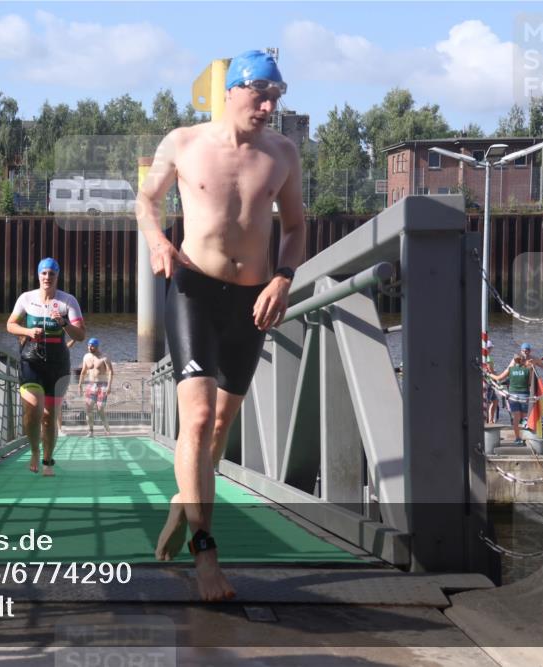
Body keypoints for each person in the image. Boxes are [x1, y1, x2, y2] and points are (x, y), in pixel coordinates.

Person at [136, 50, 305, 601]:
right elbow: (146, 199)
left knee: (219, 426)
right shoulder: (182, 143)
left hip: (253, 299)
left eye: (276, 98)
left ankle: (182, 506)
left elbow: (297, 226)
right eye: (260, 95)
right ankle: (205, 552)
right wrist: (159, 240)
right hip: (193, 289)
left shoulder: (282, 153)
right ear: (230, 90)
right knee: (199, 415)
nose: (268, 106)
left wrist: (283, 278)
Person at [7, 258, 85, 475]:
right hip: (31, 359)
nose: (47, 277)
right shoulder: (26, 298)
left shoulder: (67, 301)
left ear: (57, 276)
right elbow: (10, 324)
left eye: (51, 273)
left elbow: (80, 335)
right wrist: (28, 332)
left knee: (49, 417)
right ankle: (34, 451)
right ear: (38, 275)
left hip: (57, 363)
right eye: (43, 273)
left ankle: (48, 460)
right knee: (32, 411)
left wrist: (63, 322)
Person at [490, 343, 543, 443]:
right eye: (524, 350)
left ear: (530, 351)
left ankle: (520, 438)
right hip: (523, 392)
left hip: (516, 393)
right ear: (521, 352)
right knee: (524, 417)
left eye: (527, 350)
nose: (525, 352)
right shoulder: (526, 367)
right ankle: (523, 437)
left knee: (518, 417)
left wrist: (489, 375)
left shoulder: (530, 360)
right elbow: (528, 381)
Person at [78, 338, 114, 436]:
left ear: (97, 346)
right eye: (89, 345)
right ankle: (90, 431)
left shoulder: (104, 357)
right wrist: (80, 384)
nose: (90, 347)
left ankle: (107, 429)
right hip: (90, 384)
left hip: (102, 385)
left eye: (92, 345)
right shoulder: (86, 357)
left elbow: (110, 372)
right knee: (88, 408)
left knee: (100, 408)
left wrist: (109, 386)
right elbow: (84, 371)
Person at [483, 340, 499, 424]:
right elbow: (490, 370)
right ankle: (487, 420)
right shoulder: (487, 358)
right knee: (488, 402)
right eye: (490, 348)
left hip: (491, 382)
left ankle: (490, 419)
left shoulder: (487, 357)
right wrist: (497, 377)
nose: (491, 349)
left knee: (495, 401)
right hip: (489, 382)